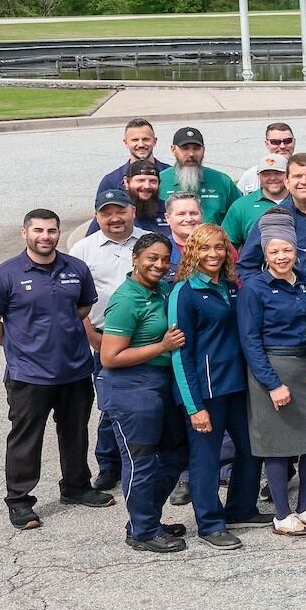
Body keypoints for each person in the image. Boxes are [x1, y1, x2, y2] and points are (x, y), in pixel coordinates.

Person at [0, 209, 113, 530]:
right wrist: (18, 347)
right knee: (26, 438)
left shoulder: (75, 269)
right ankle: (20, 501)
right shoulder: (4, 275)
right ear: (24, 233)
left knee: (75, 432)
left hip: (75, 370)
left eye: (51, 231)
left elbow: (83, 307)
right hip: (29, 376)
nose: (45, 236)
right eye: (38, 230)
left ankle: (77, 486)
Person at [164, 223, 262, 549]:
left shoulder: (232, 286)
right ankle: (210, 523)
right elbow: (180, 354)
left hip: (237, 385)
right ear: (192, 251)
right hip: (205, 391)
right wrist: (194, 406)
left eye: (219, 247)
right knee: (205, 458)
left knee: (251, 447)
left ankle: (241, 508)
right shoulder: (185, 292)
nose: (213, 254)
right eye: (205, 248)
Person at [238, 213, 306, 539]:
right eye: (275, 251)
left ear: (296, 250)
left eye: (287, 250)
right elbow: (249, 341)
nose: (282, 257)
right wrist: (272, 383)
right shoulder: (254, 288)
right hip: (272, 369)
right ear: (265, 253)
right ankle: (282, 514)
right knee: (277, 444)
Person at [96, 233, 188, 553]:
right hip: (130, 387)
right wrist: (161, 346)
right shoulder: (126, 300)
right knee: (141, 462)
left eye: (165, 259)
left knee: (176, 452)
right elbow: (110, 357)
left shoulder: (162, 289)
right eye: (152, 258)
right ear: (135, 258)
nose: (159, 265)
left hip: (160, 384)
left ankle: (145, 519)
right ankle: (144, 532)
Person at [221, 154, 290, 243]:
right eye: (266, 174)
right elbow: (228, 245)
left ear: (288, 174)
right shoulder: (242, 206)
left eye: (278, 173)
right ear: (258, 175)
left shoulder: (300, 201)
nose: (272, 178)